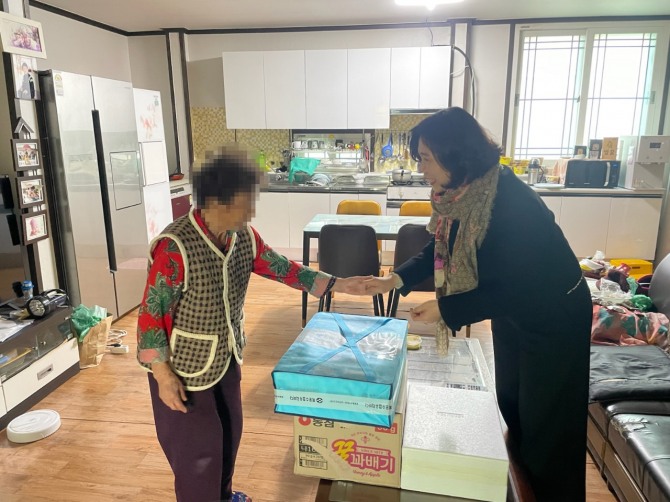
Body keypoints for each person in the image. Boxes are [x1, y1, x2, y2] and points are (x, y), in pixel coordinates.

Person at [365, 107, 592, 501]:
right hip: (514, 315)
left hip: (553, 315)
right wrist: (395, 279)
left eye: (426, 158)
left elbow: (518, 285)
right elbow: (439, 249)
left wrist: (446, 308)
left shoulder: (511, 202)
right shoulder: (458, 195)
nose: (421, 169)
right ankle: (525, 488)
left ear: (455, 154)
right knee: (514, 407)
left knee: (549, 432)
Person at [136, 146, 369, 502]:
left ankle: (223, 495)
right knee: (198, 453)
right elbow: (151, 314)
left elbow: (282, 268)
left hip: (225, 357)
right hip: (182, 368)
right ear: (217, 200)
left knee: (229, 433)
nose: (250, 212)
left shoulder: (242, 236)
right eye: (245, 203)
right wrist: (162, 375)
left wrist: (338, 284)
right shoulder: (175, 247)